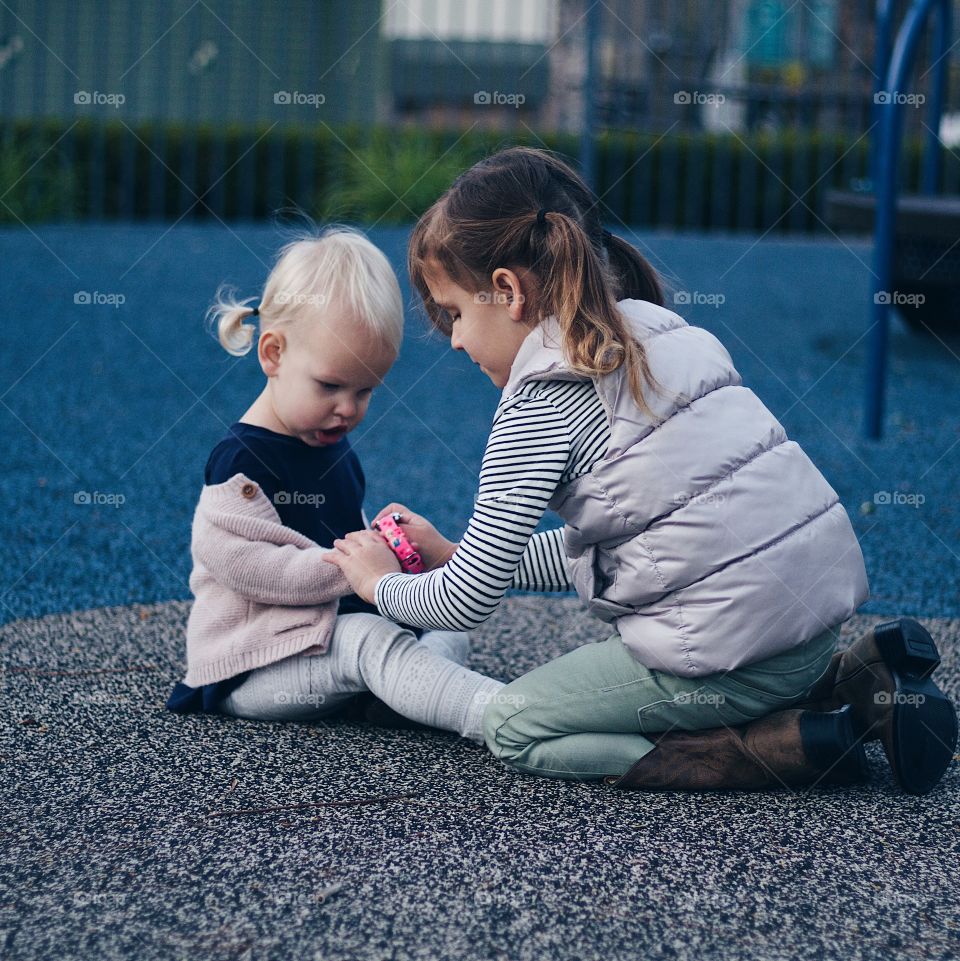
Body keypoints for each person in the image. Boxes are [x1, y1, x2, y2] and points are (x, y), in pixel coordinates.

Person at [324, 147, 957, 795]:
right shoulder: (656, 331)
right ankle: (853, 682)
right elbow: (619, 545)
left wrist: (378, 585)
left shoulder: (538, 400)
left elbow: (464, 602)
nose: (454, 340)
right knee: (723, 652)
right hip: (808, 632)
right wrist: (459, 552)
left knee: (515, 724)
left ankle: (758, 749)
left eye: (455, 313)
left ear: (507, 291)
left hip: (733, 660)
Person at [165, 226, 506, 743]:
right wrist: (357, 568)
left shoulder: (329, 444)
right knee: (369, 639)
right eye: (330, 386)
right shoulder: (241, 463)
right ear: (273, 354)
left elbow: (336, 538)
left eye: (365, 390)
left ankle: (410, 700)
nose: (348, 409)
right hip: (254, 663)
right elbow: (247, 566)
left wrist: (389, 550)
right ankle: (504, 718)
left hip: (320, 638)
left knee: (444, 615)